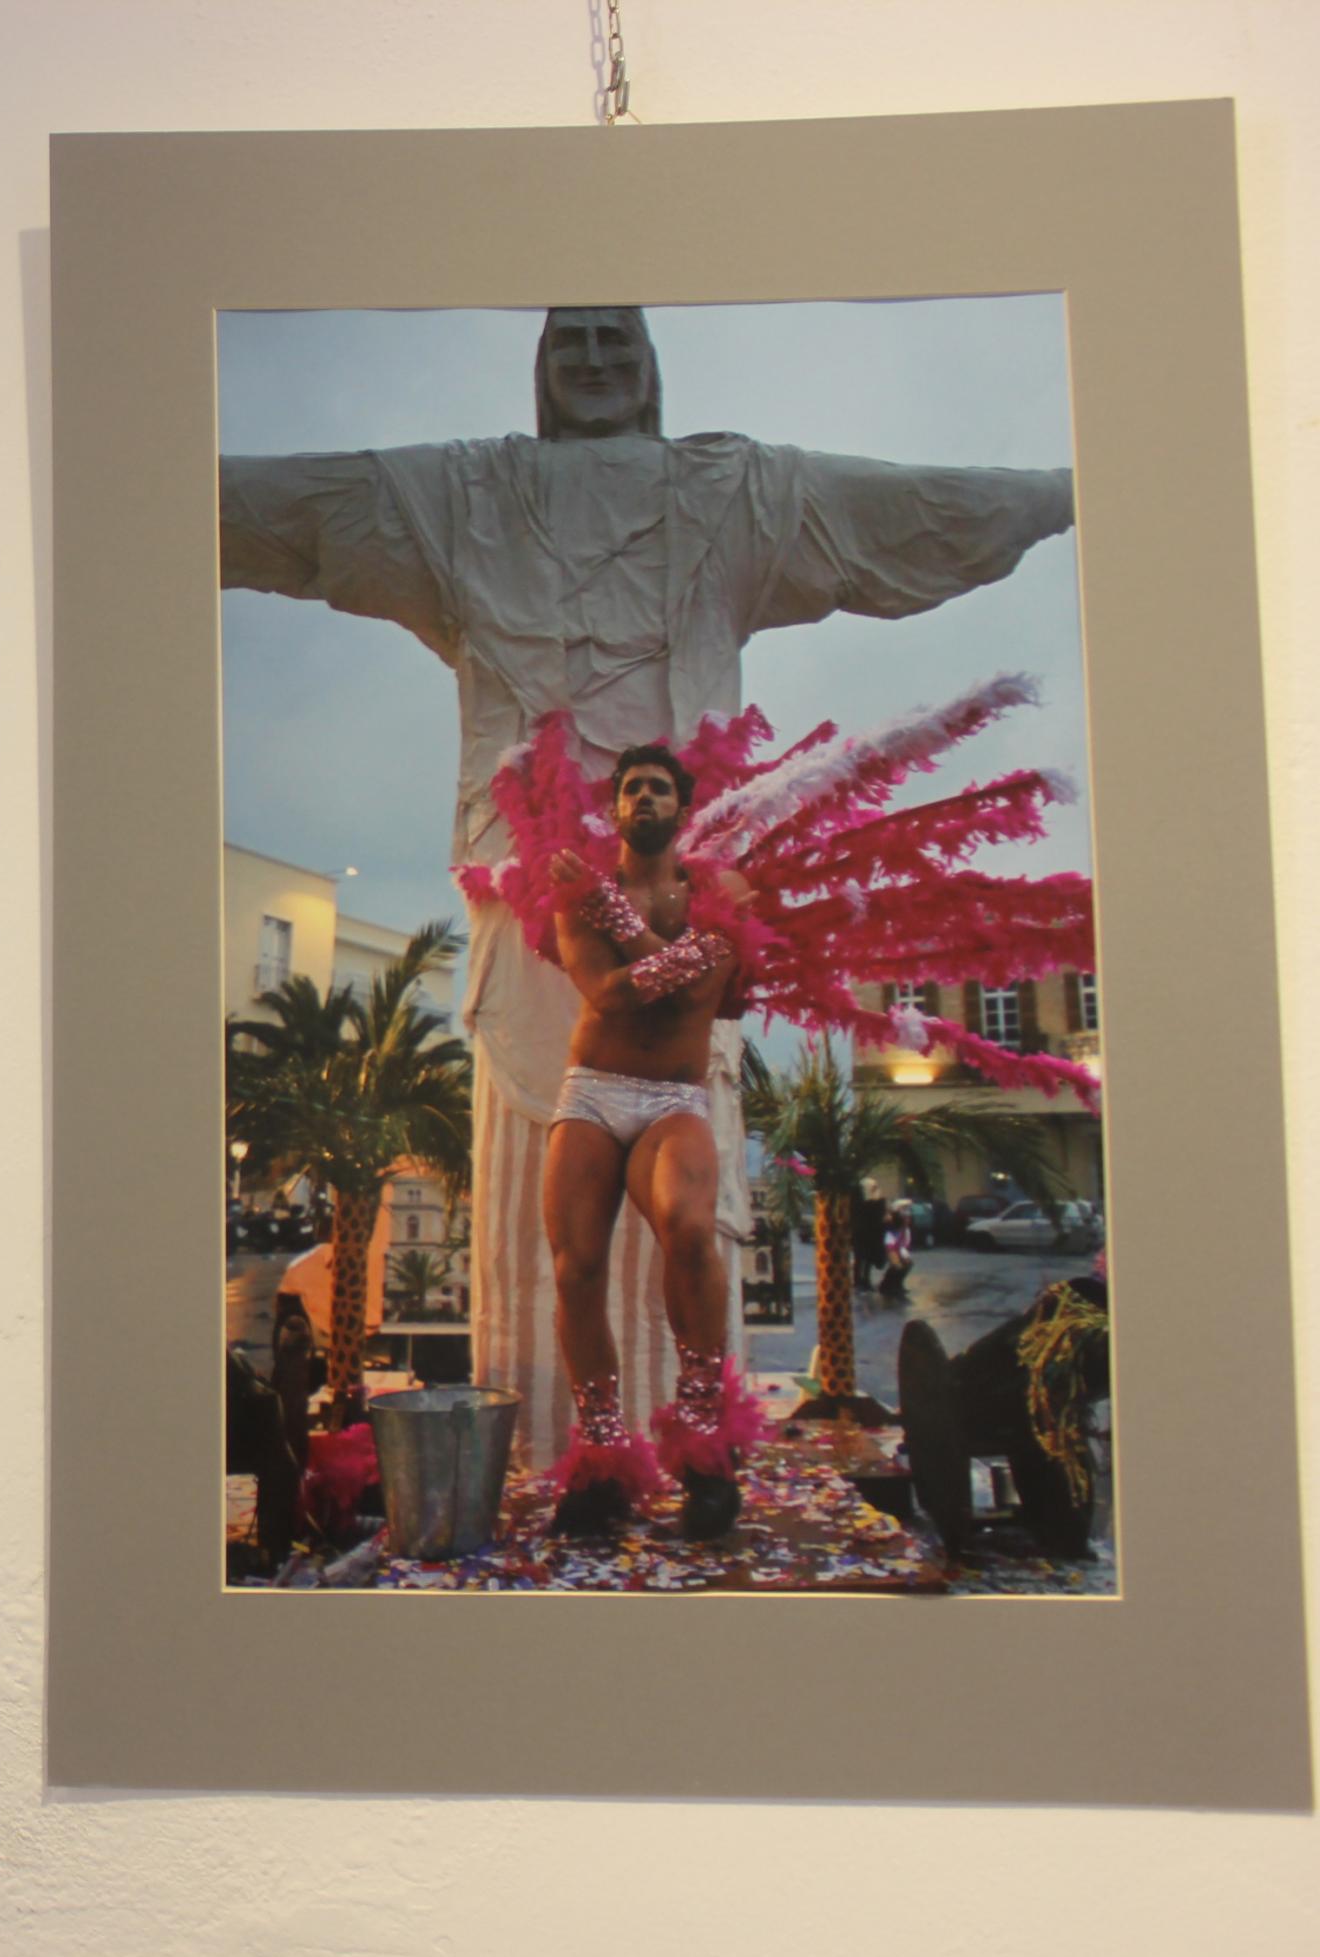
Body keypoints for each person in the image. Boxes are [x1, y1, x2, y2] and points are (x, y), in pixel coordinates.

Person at [222, 305, 1075, 1465]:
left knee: (688, 1230)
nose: (593, 359)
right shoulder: (467, 495)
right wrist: (153, 483)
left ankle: (699, 1442)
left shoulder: (726, 491)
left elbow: (898, 509)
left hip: (668, 1067)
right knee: (560, 1251)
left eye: (616, 338)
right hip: (527, 928)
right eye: (570, 338)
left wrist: (1062, 489)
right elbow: (305, 504)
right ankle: (570, 1455)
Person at [540, 743, 762, 1539]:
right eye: (631, 787)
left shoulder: (721, 890)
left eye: (659, 788)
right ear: (614, 806)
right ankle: (601, 1459)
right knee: (575, 1268)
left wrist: (618, 921)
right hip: (594, 1092)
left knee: (691, 1230)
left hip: (674, 1097)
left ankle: (705, 1449)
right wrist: (659, 946)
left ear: (682, 806)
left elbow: (699, 993)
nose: (644, 797)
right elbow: (608, 996)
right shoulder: (578, 895)